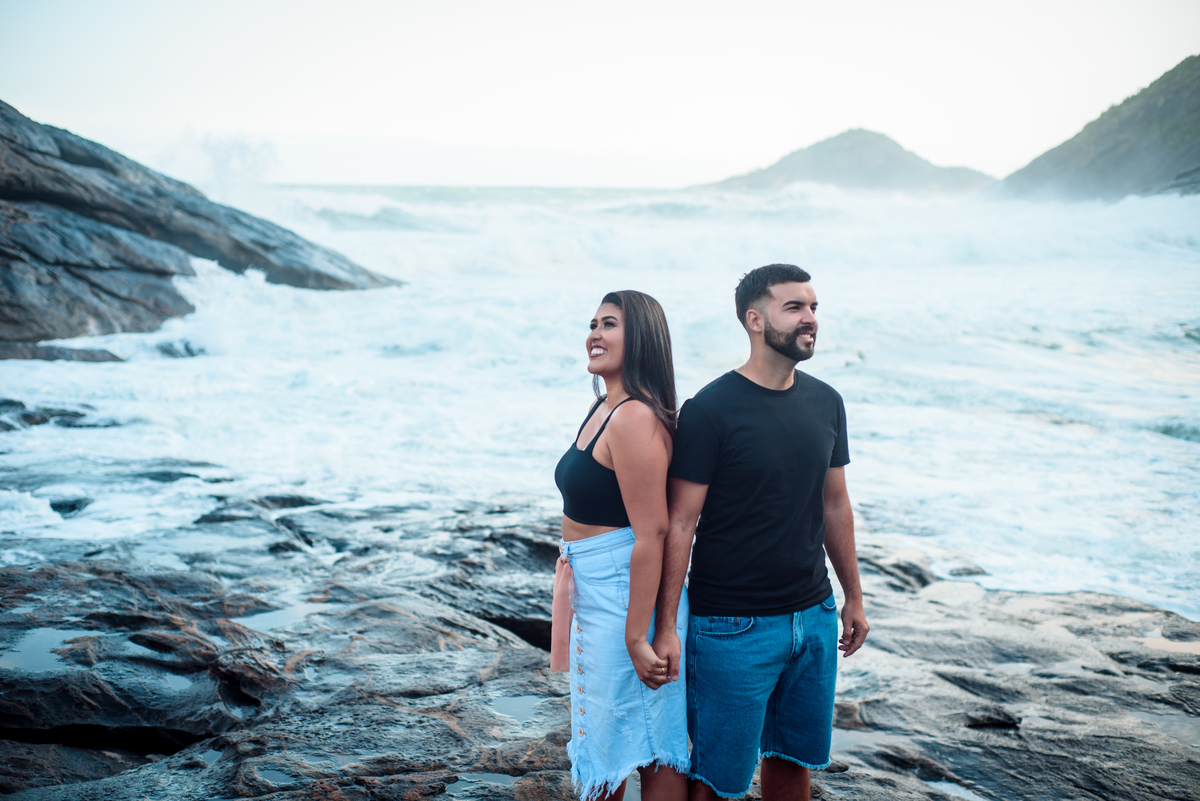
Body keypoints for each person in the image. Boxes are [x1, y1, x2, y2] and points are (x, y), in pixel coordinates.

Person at [651, 264, 869, 801]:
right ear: (754, 319)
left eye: (814, 307)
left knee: (794, 762)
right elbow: (681, 521)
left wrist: (853, 597)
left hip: (814, 617)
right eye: (794, 307)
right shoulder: (710, 411)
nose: (810, 319)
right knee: (716, 783)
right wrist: (666, 623)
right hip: (732, 626)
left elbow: (835, 504)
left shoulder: (826, 402)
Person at [552, 290, 689, 801]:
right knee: (615, 738)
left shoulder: (634, 417)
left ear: (642, 339)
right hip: (598, 587)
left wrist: (639, 635)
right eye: (592, 323)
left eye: (609, 324)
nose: (595, 334)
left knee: (650, 743)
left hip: (623, 593)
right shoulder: (604, 407)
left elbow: (652, 532)